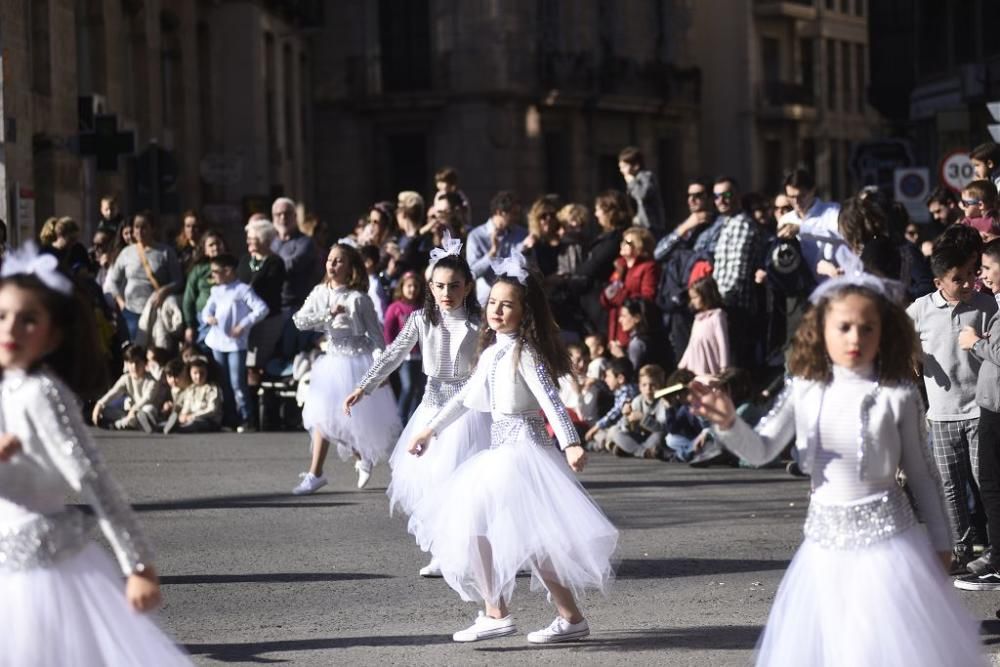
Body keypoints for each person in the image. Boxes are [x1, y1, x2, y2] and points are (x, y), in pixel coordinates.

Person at [690, 270, 987, 666]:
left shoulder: (897, 397)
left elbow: (923, 476)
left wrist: (942, 543)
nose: (855, 338)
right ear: (820, 329)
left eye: (867, 328)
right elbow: (760, 450)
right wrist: (728, 424)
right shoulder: (805, 391)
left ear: (884, 332)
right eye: (843, 327)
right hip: (824, 552)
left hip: (890, 547)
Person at [407, 258, 618, 644]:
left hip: (524, 451)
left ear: (524, 312)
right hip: (501, 450)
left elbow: (551, 402)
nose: (497, 311)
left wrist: (571, 443)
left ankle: (560, 617)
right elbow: (466, 398)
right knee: (482, 527)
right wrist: (429, 430)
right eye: (492, 303)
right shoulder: (492, 353)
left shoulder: (526, 354)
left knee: (532, 540)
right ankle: (503, 612)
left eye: (507, 305)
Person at [0, 243, 191, 664]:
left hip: (41, 571)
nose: (11, 329)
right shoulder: (8, 388)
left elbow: (92, 477)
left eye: (28, 320)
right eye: (2, 316)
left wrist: (138, 564)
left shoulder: (41, 394)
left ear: (52, 335)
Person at [344, 240, 490, 577]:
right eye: (440, 285)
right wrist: (363, 386)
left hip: (467, 412)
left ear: (467, 286)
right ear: (430, 286)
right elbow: (394, 354)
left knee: (465, 486)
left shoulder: (479, 323)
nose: (447, 292)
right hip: (429, 407)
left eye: (454, 285)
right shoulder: (421, 319)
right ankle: (442, 552)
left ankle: (474, 552)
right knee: (432, 484)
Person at [907, 224, 996, 571]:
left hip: (980, 411)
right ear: (939, 282)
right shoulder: (920, 309)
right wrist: (910, 354)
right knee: (948, 485)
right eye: (957, 278)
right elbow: (897, 336)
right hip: (940, 414)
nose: (967, 284)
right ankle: (958, 547)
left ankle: (992, 545)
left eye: (971, 276)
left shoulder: (986, 305)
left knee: (985, 481)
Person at [291, 243, 402, 493]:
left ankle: (360, 454)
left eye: (339, 261)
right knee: (322, 418)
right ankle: (316, 473)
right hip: (330, 362)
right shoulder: (320, 292)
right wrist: (326, 314)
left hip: (357, 362)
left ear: (351, 267)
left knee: (349, 421)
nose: (332, 264)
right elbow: (299, 320)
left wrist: (380, 369)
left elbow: (376, 337)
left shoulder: (358, 299)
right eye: (330, 259)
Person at [955, 237, 1000, 587]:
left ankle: (998, 559)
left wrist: (976, 343)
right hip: (990, 403)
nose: (982, 276)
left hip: (996, 408)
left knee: (992, 484)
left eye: (986, 268)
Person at [201, 253, 269, 432]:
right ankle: (229, 418)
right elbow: (207, 310)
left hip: (235, 344)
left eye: (216, 271)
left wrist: (243, 324)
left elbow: (261, 309)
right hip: (217, 341)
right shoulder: (216, 290)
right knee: (224, 382)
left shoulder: (243, 289)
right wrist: (208, 317)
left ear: (228, 271)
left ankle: (247, 418)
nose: (213, 275)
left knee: (237, 381)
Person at [104, 212, 183, 342]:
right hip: (131, 311)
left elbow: (178, 280)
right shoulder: (126, 253)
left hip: (157, 310)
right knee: (135, 351)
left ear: (153, 228)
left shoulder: (165, 252)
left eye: (144, 227)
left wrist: (165, 290)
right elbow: (113, 280)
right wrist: (121, 302)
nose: (139, 231)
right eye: (136, 227)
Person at [238, 218, 287, 375]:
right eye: (248, 238)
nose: (248, 242)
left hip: (268, 319)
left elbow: (266, 289)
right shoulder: (245, 260)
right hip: (245, 318)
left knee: (258, 363)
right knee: (244, 362)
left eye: (253, 239)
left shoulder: (275, 262)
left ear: (265, 240)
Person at [777, 168, 844, 281]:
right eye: (791, 197)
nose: (796, 202)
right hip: (799, 289)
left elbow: (842, 236)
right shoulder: (785, 220)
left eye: (801, 196)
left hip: (830, 283)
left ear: (813, 190)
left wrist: (803, 229)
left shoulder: (833, 211)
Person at [600, 226, 659, 348]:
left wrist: (620, 295)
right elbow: (607, 298)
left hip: (634, 331)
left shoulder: (648, 267)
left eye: (627, 242)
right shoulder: (620, 268)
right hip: (615, 329)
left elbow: (647, 298)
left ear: (639, 246)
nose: (622, 244)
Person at [466, 190, 529, 304]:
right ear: (500, 212)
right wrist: (492, 253)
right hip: (486, 300)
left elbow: (530, 268)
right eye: (513, 213)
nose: (517, 218)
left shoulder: (522, 234)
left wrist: (527, 251)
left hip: (515, 300)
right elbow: (472, 273)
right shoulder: (476, 236)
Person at [380, 271, 426, 421]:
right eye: (409, 286)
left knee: (420, 390)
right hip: (404, 357)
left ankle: (413, 421)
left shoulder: (422, 307)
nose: (412, 289)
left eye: (415, 286)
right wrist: (391, 350)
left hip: (421, 356)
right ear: (402, 287)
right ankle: (400, 419)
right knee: (408, 387)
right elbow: (388, 331)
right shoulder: (395, 308)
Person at [92, 345, 165, 433]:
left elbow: (146, 399)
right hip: (128, 413)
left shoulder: (152, 381)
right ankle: (132, 424)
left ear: (144, 363)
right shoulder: (126, 378)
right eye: (131, 362)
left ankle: (118, 425)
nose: (134, 366)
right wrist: (99, 405)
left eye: (137, 362)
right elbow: (113, 392)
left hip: (141, 411)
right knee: (105, 410)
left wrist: (134, 410)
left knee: (149, 409)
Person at [607, 364, 668, 458]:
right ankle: (642, 452)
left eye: (653, 385)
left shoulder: (663, 402)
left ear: (660, 386)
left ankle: (631, 450)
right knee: (615, 431)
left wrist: (643, 418)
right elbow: (627, 429)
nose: (648, 389)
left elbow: (662, 428)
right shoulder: (637, 401)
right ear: (639, 386)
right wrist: (627, 418)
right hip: (640, 437)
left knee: (660, 436)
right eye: (644, 385)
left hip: (653, 438)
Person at [272, 197, 319, 311]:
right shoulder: (271, 242)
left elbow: (292, 265)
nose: (283, 217)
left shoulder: (306, 242)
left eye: (287, 213)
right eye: (278, 214)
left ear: (295, 216)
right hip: (273, 306)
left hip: (297, 306)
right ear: (273, 217)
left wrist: (268, 266)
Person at [182, 230, 227, 346]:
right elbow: (189, 299)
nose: (215, 247)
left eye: (218, 243)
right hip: (203, 318)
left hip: (227, 316)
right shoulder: (199, 269)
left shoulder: (233, 267)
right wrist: (189, 326)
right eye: (211, 245)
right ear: (205, 250)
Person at [678, 276, 730, 376]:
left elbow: (723, 342)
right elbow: (691, 344)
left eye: (695, 297)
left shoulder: (717, 316)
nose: (692, 301)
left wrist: (724, 366)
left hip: (710, 366)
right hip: (695, 366)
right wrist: (682, 365)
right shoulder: (698, 319)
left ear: (706, 296)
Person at [584, 357, 637, 450]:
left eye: (608, 376)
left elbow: (615, 412)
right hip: (618, 427)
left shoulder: (628, 391)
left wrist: (596, 427)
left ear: (620, 378)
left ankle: (601, 445)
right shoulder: (620, 390)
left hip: (625, 429)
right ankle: (610, 445)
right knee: (601, 434)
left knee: (610, 432)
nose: (606, 380)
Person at [163, 356, 223, 434]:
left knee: (196, 423)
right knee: (179, 420)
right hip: (190, 418)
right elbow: (187, 405)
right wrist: (183, 415)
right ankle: (163, 426)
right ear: (190, 374)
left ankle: (179, 428)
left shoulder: (212, 388)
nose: (198, 376)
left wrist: (193, 416)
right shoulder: (190, 389)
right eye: (195, 373)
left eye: (202, 373)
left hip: (208, 419)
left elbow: (212, 410)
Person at [618, 146, 665, 235]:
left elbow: (642, 195)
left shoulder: (646, 177)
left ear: (636, 166)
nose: (621, 170)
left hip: (650, 225)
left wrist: (632, 182)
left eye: (624, 166)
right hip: (638, 224)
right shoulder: (632, 181)